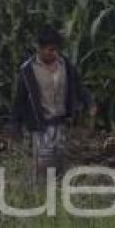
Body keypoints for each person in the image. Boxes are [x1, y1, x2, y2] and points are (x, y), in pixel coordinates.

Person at [12, 26, 97, 181]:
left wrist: (89, 102)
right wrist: (16, 127)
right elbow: (20, 101)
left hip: (61, 125)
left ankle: (57, 198)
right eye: (50, 50)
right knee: (42, 169)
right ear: (40, 48)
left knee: (61, 165)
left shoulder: (64, 64)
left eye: (56, 50)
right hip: (41, 127)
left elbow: (78, 85)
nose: (54, 54)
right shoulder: (28, 71)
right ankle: (39, 198)